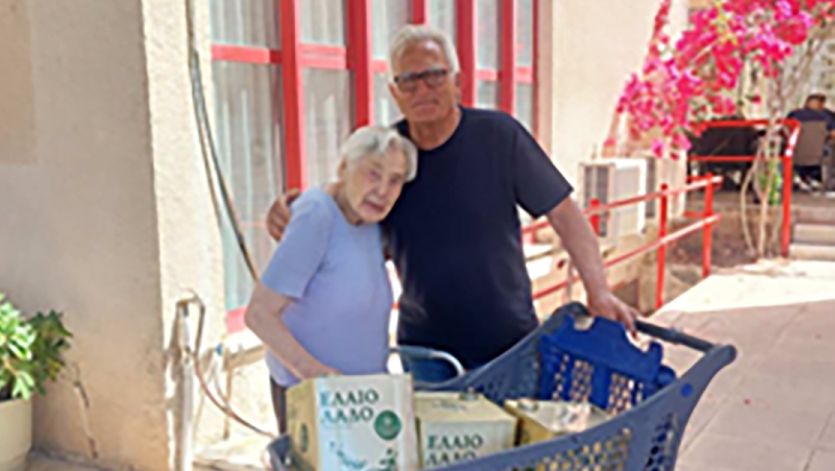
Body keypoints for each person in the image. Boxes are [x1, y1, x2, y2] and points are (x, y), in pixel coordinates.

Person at [266, 25, 639, 384]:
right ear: (394, 93)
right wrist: (297, 208)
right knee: (433, 433)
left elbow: (564, 212)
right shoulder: (391, 156)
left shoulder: (499, 137)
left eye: (434, 76)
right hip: (426, 352)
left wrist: (598, 290)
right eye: (409, 80)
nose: (422, 89)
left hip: (508, 345)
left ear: (457, 81)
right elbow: (346, 202)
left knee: (513, 432)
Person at [244, 125, 417, 435]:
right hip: (315, 398)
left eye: (395, 180)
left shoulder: (370, 221)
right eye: (373, 174)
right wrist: (317, 376)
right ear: (344, 168)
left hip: (361, 398)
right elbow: (259, 314)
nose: (383, 190)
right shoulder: (316, 215)